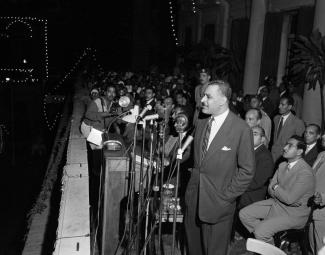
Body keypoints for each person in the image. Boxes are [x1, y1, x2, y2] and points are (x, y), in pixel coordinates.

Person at [184, 80, 255, 255]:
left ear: (223, 100)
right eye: (203, 96)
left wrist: (226, 197)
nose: (202, 100)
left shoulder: (241, 129)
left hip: (218, 205)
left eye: (208, 97)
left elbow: (247, 171)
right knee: (193, 249)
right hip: (193, 200)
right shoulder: (201, 123)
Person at [239, 135, 315, 244]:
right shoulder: (282, 165)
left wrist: (276, 187)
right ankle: (271, 241)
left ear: (299, 151)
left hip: (294, 214)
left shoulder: (305, 173)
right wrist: (277, 190)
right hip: (276, 203)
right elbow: (270, 190)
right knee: (244, 214)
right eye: (286, 144)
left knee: (261, 232)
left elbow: (289, 199)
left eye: (290, 145)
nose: (285, 148)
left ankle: (268, 244)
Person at [238, 126, 274, 209]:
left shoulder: (265, 156)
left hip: (251, 198)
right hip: (242, 194)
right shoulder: (248, 150)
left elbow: (257, 182)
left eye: (255, 134)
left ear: (262, 139)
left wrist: (237, 186)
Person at [271, 95, 305, 163]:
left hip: (286, 157)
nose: (279, 106)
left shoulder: (297, 122)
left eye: (282, 105)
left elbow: (300, 144)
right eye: (279, 104)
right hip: (273, 155)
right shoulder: (276, 118)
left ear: (289, 107)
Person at [309, 133, 325, 254]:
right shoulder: (321, 154)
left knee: (321, 248)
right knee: (312, 243)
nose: (323, 137)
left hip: (323, 211)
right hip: (312, 208)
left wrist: (322, 198)